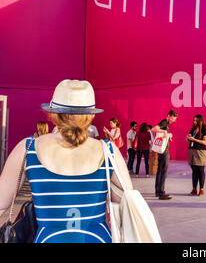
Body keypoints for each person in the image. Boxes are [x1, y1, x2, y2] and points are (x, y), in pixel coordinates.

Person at [0, 79, 132, 243]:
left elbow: (1, 203)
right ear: (90, 115)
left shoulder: (28, 148)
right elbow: (126, 203)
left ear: (53, 113)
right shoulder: (109, 151)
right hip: (98, 238)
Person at [151, 110, 178, 200]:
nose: (174, 120)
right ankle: (161, 193)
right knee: (163, 172)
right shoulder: (164, 122)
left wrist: (168, 135)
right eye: (173, 118)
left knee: (160, 171)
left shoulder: (166, 123)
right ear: (169, 116)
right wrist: (165, 132)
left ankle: (158, 192)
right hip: (164, 151)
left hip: (161, 151)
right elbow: (154, 129)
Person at [186, 115, 206, 196]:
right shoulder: (193, 129)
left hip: (200, 152)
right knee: (194, 171)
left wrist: (194, 139)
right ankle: (194, 189)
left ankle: (201, 189)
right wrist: (188, 137)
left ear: (200, 121)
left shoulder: (204, 130)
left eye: (196, 120)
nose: (194, 122)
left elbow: (205, 142)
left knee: (200, 170)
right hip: (192, 151)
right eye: (194, 120)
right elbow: (188, 139)